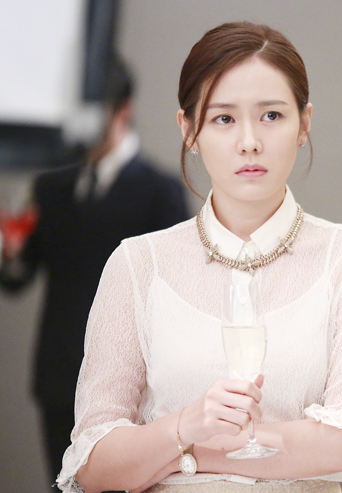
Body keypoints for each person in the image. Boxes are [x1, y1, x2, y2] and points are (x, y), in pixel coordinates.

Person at [57, 22, 342, 493]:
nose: (249, 141)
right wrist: (186, 424)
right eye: (223, 119)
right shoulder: (138, 264)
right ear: (188, 130)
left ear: (305, 123)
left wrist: (183, 449)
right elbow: (94, 465)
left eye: (272, 115)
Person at [0, 58, 189, 486]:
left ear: (123, 110)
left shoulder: (160, 191)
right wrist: (10, 252)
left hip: (132, 385)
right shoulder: (51, 187)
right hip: (59, 375)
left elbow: (176, 292)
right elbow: (17, 278)